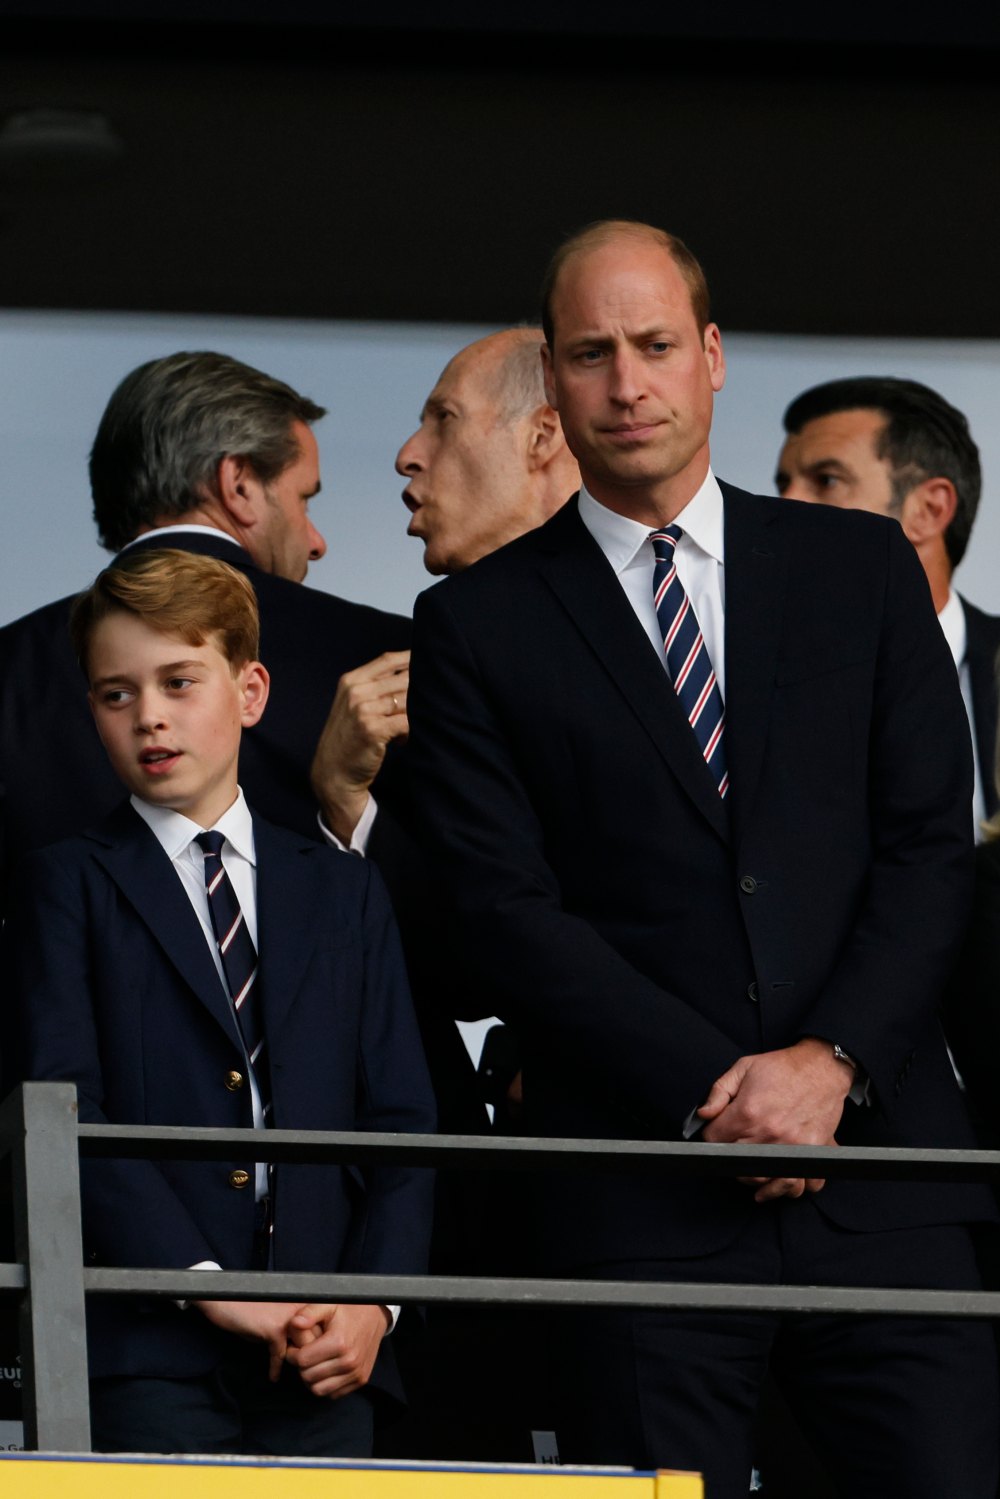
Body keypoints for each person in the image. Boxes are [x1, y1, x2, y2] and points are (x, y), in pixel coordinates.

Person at [406, 219, 998, 1497]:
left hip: (885, 1187)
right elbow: (502, 909)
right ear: (554, 390)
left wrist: (830, 1060)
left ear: (712, 356)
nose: (628, 382)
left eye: (656, 345)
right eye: (591, 352)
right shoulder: (476, 625)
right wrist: (713, 1093)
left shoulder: (858, 568)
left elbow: (924, 852)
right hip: (638, 1203)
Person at [3, 549, 435, 1458]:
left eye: (178, 681)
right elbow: (68, 1111)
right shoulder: (64, 884)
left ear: (250, 691)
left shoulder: (343, 890)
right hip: (146, 1350)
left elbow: (403, 1123)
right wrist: (205, 1282)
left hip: (326, 1346)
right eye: (114, 694)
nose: (148, 715)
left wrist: (374, 1305)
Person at [0, 349, 411, 921]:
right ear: (238, 484)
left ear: (252, 690)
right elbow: (454, 926)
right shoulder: (382, 655)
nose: (315, 540)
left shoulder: (9, 668)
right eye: (304, 498)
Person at [776, 376, 1000, 828]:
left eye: (826, 480)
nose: (783, 505)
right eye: (784, 483)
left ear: (930, 510)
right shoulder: (750, 671)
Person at [396, 327, 580, 576]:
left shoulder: (641, 607)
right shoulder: (446, 612)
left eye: (444, 417)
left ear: (541, 435)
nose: (405, 458)